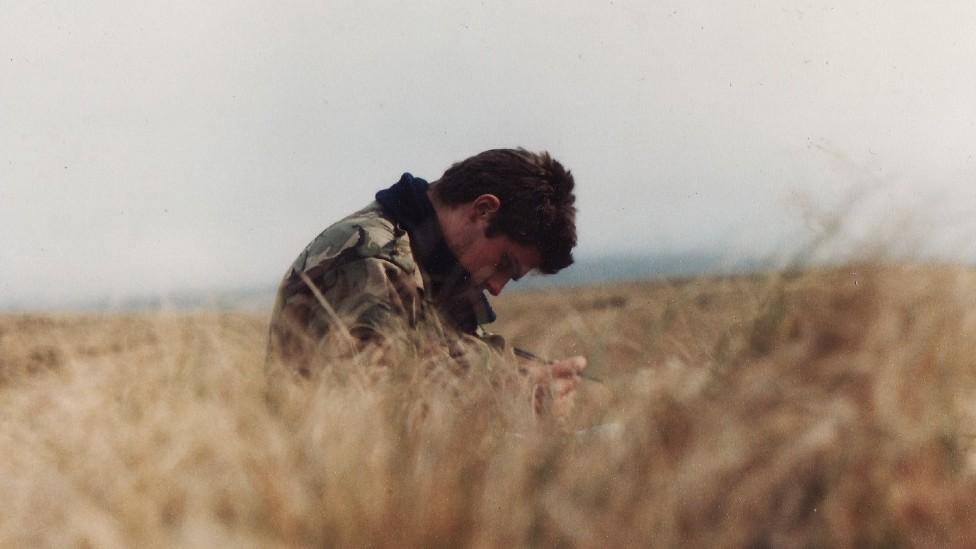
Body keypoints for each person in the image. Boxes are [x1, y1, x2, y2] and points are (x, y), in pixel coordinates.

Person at [267, 148, 586, 416]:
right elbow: (370, 412)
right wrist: (511, 395)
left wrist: (535, 377)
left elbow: (453, 360)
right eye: (504, 263)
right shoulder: (372, 260)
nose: (497, 287)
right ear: (483, 210)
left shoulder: (435, 266)